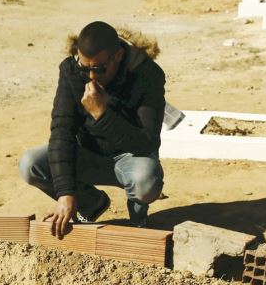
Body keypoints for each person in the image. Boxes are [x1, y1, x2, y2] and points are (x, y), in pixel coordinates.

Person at [19, 21, 165, 238]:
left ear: (117, 55)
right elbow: (62, 130)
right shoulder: (71, 71)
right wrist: (66, 193)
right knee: (30, 164)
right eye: (85, 68)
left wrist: (103, 114)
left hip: (131, 156)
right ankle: (92, 203)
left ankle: (138, 220)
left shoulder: (147, 74)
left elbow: (147, 142)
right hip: (88, 153)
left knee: (145, 180)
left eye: (98, 69)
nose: (91, 77)